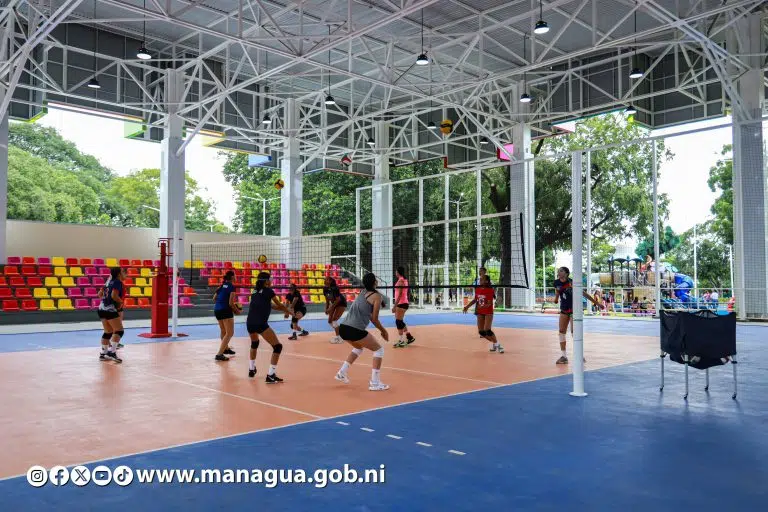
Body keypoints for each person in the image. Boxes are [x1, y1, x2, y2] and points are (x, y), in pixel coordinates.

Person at [334, 273, 390, 391]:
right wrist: (383, 331)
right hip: (354, 329)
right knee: (379, 350)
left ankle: (341, 373)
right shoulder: (376, 296)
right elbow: (374, 319)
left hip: (343, 328)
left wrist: (380, 302)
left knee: (358, 348)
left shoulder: (363, 292)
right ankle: (375, 383)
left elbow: (369, 308)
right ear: (375, 282)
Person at [246, 272, 293, 382]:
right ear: (266, 281)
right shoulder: (269, 291)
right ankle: (271, 375)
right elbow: (279, 304)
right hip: (260, 323)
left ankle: (251, 369)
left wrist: (284, 309)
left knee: (254, 343)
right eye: (270, 279)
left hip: (250, 323)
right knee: (277, 347)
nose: (271, 281)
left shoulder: (254, 291)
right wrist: (289, 312)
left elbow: (271, 305)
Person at [553, 266, 600, 365]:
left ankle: (579, 355)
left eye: (561, 271)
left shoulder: (572, 283)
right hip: (564, 309)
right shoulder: (556, 282)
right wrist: (556, 298)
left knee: (574, 332)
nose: (559, 272)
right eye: (558, 271)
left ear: (566, 273)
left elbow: (583, 293)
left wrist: (596, 303)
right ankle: (564, 356)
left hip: (574, 310)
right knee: (561, 332)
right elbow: (558, 290)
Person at [463, 274, 504, 353]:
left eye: (482, 279)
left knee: (487, 330)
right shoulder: (478, 289)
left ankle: (497, 345)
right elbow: (475, 300)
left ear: (486, 281)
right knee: (481, 332)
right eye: (480, 279)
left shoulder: (490, 290)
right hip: (480, 312)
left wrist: (482, 306)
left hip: (488, 312)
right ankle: (495, 343)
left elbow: (489, 303)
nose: (480, 280)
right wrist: (467, 306)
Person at [97, 267, 126, 363]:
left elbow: (99, 294)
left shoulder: (108, 282)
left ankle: (103, 353)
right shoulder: (117, 282)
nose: (125, 273)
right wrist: (120, 302)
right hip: (110, 309)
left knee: (108, 332)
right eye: (123, 272)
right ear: (118, 274)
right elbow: (114, 295)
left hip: (101, 308)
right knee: (119, 331)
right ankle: (112, 352)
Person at [213, 270, 241, 361]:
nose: (236, 277)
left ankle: (226, 349)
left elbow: (214, 298)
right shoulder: (231, 287)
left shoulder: (221, 286)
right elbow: (230, 303)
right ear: (232, 277)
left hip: (217, 310)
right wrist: (237, 310)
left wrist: (221, 303)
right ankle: (219, 354)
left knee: (223, 331)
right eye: (235, 275)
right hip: (225, 311)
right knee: (230, 333)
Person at [392, 266, 416, 348]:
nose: (395, 272)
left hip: (401, 303)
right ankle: (409, 337)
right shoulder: (403, 280)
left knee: (398, 322)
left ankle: (401, 341)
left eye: (396, 271)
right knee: (400, 321)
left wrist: (394, 306)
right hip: (403, 303)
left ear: (398, 272)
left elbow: (400, 294)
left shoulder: (401, 281)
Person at [323, 276, 347, 344]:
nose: (325, 280)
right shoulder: (324, 288)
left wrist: (330, 308)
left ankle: (339, 338)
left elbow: (338, 299)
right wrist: (326, 308)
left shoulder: (335, 288)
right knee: (330, 321)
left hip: (341, 303)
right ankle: (340, 333)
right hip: (334, 303)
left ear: (330, 281)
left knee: (334, 320)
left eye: (327, 279)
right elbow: (327, 300)